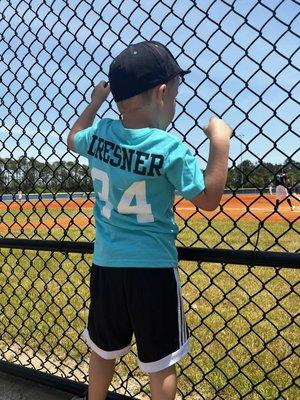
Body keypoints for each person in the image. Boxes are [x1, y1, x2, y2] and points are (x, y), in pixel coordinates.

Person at [67, 41, 232, 400]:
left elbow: (71, 138)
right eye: (173, 94)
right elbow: (208, 199)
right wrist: (220, 144)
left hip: (107, 264)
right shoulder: (168, 148)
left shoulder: (99, 136)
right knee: (160, 363)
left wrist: (95, 102)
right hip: (153, 268)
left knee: (102, 349)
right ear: (161, 92)